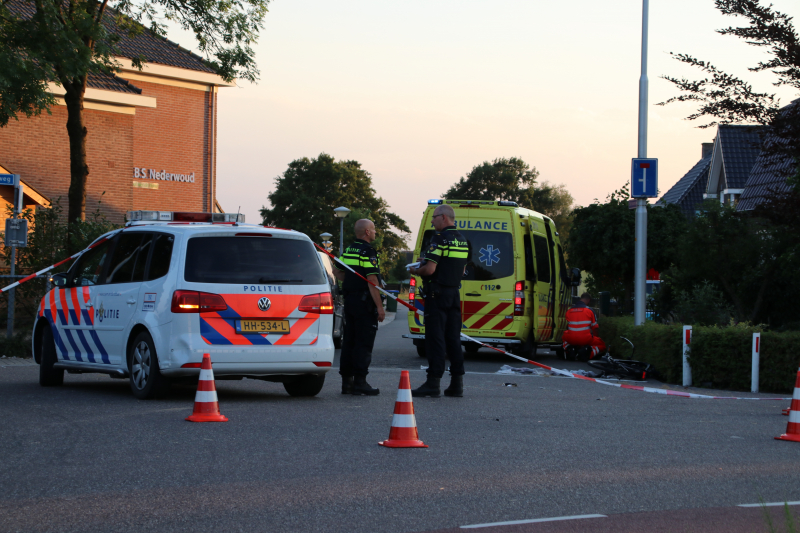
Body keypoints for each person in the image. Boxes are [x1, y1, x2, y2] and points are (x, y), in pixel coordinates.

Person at [409, 205, 469, 398]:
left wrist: (416, 269)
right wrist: (427, 261)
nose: (432, 221)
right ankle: (456, 384)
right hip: (453, 295)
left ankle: (433, 383)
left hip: (437, 294)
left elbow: (430, 270)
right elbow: (460, 270)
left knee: (435, 339)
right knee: (453, 339)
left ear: (443, 217)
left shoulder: (439, 239)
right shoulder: (463, 240)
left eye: (434, 218)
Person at [332, 219, 386, 395]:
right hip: (364, 304)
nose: (376, 232)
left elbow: (336, 271)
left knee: (349, 341)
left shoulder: (348, 250)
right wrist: (380, 306)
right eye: (374, 229)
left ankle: (346, 383)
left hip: (350, 302)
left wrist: (351, 281)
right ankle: (360, 382)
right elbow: (372, 281)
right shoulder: (368, 251)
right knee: (363, 342)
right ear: (368, 232)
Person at [561, 292, 606, 362]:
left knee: (564, 336)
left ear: (580, 299)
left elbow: (568, 327)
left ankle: (569, 349)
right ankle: (587, 353)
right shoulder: (590, 311)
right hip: (585, 339)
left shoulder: (569, 311)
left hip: (571, 339)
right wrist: (594, 338)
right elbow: (595, 328)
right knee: (602, 345)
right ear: (588, 300)